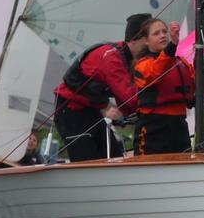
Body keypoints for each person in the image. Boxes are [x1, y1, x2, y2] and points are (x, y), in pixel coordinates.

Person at [53, 13, 151, 162]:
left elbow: (126, 107)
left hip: (90, 110)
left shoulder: (130, 59)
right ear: (135, 39)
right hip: (70, 111)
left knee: (114, 156)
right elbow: (130, 100)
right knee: (87, 163)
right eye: (148, 40)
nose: (151, 47)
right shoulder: (111, 57)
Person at [133, 19, 195, 155]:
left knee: (182, 166)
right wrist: (173, 45)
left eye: (164, 32)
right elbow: (156, 72)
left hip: (179, 126)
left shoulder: (182, 63)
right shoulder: (142, 65)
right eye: (156, 33)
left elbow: (198, 86)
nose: (162, 35)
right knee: (148, 169)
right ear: (146, 41)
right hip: (153, 128)